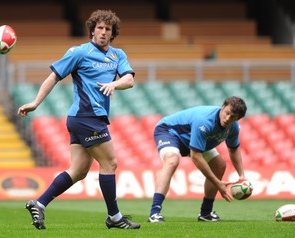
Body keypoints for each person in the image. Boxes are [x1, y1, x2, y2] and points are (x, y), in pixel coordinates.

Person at [17, 9, 140, 230]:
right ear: (92, 30)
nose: (103, 32)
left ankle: (39, 203)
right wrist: (35, 103)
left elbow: (129, 80)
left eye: (108, 29)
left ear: (112, 34)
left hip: (86, 118)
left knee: (79, 170)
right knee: (109, 163)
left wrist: (115, 84)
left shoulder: (118, 55)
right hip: (86, 116)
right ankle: (114, 217)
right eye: (99, 28)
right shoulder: (79, 53)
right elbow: (53, 76)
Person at [148, 96, 248, 223]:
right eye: (227, 113)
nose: (228, 118)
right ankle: (154, 213)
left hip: (194, 139)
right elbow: (196, 156)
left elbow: (233, 149)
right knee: (172, 161)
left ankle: (206, 213)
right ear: (222, 107)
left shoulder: (233, 127)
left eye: (233, 117)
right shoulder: (204, 121)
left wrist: (242, 176)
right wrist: (218, 183)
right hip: (170, 131)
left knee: (219, 165)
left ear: (238, 119)